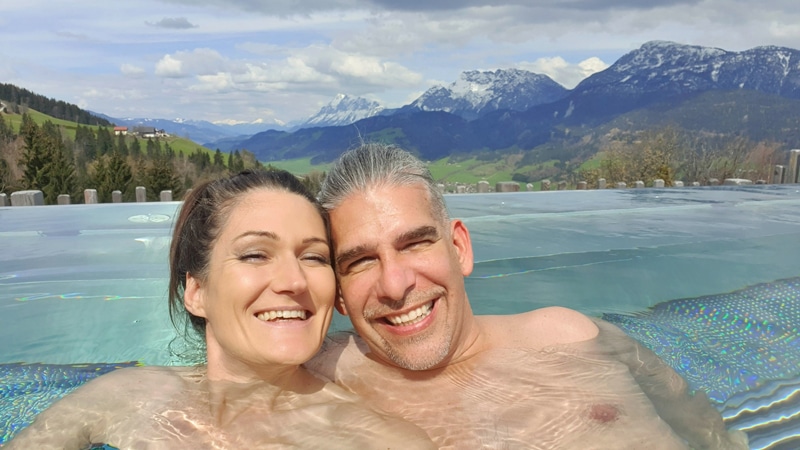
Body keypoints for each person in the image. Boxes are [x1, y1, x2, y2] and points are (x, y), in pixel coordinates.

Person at [308, 143, 750, 449]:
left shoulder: (571, 334)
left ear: (459, 247)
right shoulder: (320, 378)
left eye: (416, 243)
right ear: (339, 293)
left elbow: (706, 428)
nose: (395, 284)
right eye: (360, 261)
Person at [6, 169, 434, 449]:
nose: (294, 281)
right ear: (196, 292)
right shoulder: (122, 396)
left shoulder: (377, 440)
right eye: (254, 255)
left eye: (315, 257)